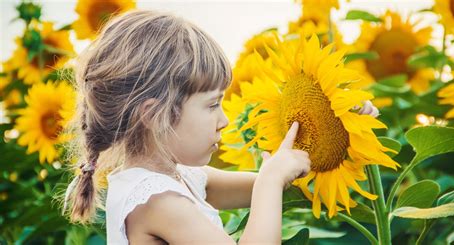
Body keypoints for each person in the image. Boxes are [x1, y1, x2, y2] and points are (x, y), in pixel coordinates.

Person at [63, 10, 378, 244]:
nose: (224, 120)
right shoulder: (157, 202)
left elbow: (287, 185)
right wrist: (270, 179)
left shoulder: (178, 179)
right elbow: (268, 186)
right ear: (153, 115)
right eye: (212, 105)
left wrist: (340, 125)